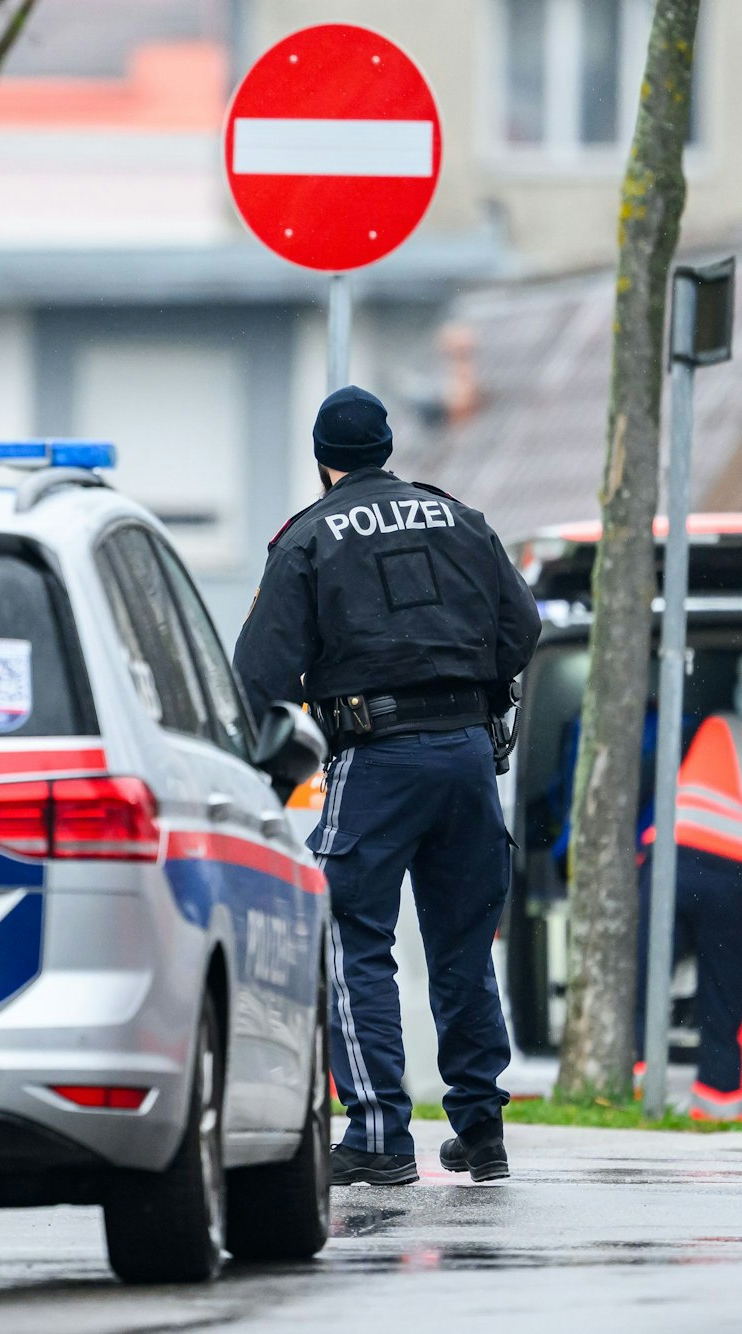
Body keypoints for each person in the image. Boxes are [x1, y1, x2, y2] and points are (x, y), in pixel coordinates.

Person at [233, 385, 543, 1187]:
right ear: (385, 448)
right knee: (463, 940)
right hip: (472, 756)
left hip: (376, 759)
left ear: (321, 460)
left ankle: (377, 1132)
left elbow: (258, 673)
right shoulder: (460, 519)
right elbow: (524, 627)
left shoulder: (307, 539)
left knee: (350, 936)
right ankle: (481, 1130)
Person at [637, 677, 742, 1122]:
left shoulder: (716, 726)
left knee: (643, 982)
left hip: (670, 861)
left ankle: (634, 1086)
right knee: (727, 995)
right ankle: (721, 1103)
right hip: (737, 877)